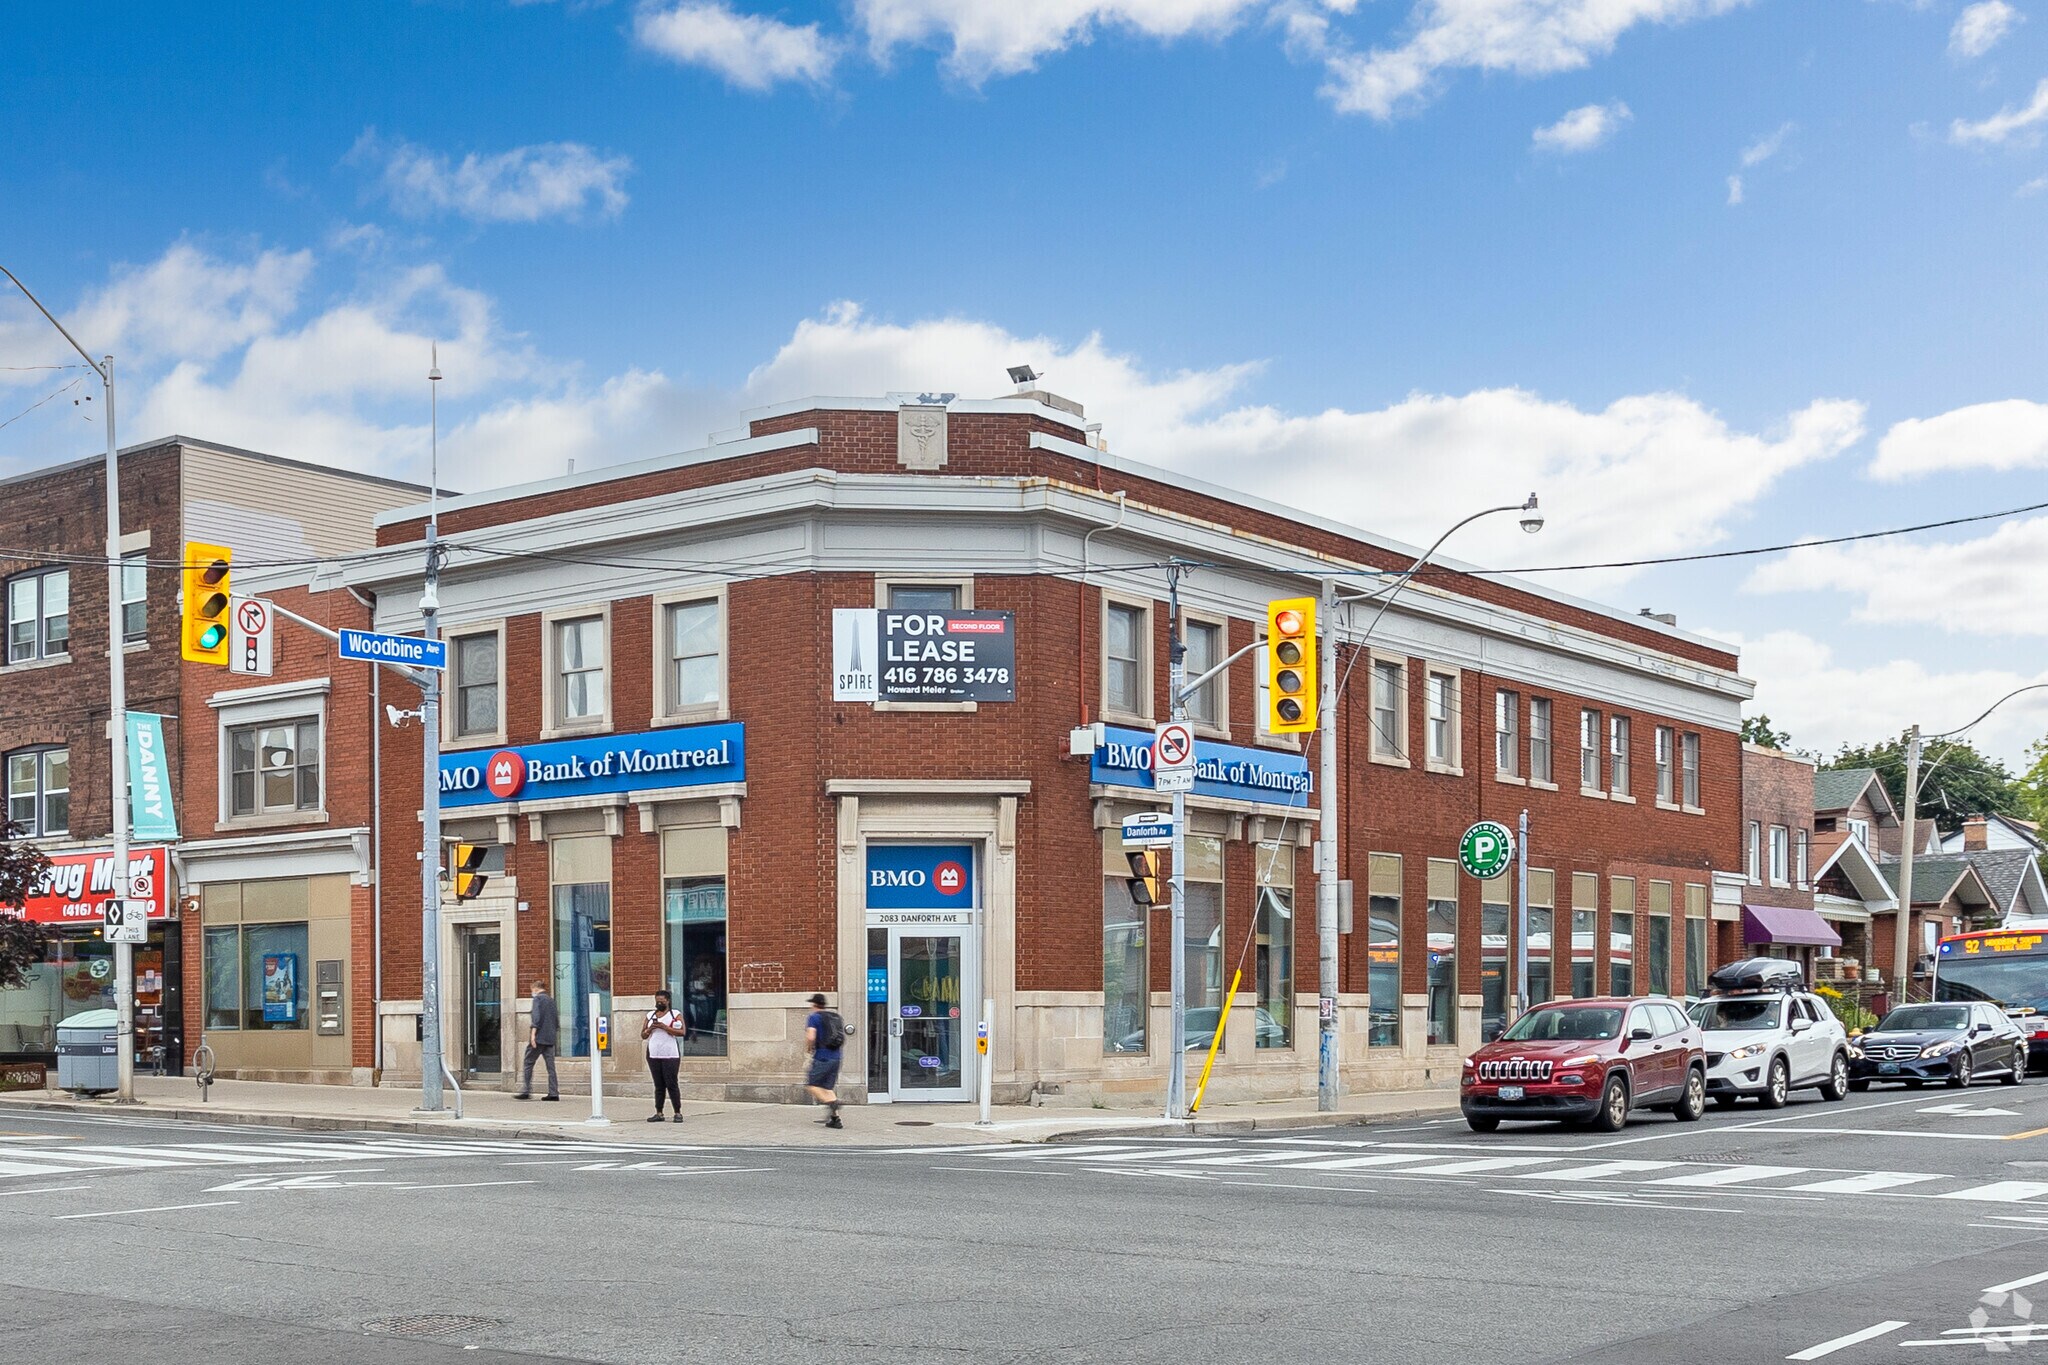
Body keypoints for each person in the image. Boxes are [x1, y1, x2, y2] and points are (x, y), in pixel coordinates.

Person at [641, 989, 687, 1122]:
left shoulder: (675, 1014)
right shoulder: (650, 1015)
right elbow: (643, 1035)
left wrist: (664, 1027)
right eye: (657, 1001)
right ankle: (659, 1112)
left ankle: (677, 1112)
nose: (659, 1004)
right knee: (659, 1085)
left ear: (668, 1001)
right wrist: (650, 1029)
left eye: (662, 1001)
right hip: (654, 1053)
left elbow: (682, 1032)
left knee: (671, 1083)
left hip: (670, 1053)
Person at [804, 991, 844, 1129]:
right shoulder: (835, 1016)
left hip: (822, 1056)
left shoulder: (814, 1017)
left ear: (815, 1005)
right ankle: (835, 1119)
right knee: (827, 1088)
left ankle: (832, 1103)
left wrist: (809, 1048)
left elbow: (810, 1037)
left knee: (812, 1085)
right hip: (836, 1056)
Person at [515, 979, 559, 1101]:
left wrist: (533, 1035)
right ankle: (553, 1092)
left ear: (535, 988)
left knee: (528, 1062)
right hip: (550, 1037)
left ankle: (526, 1090)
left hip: (539, 1037)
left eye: (531, 990)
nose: (532, 993)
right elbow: (556, 1020)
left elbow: (536, 1017)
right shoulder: (551, 1000)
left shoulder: (537, 999)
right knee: (551, 1067)